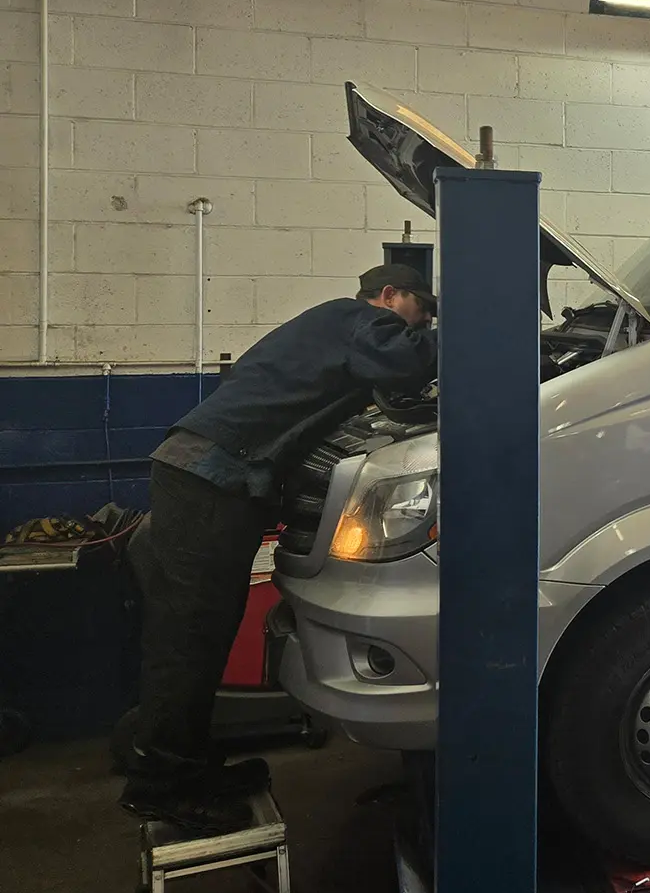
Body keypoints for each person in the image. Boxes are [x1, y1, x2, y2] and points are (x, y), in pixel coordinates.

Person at [115, 264, 439, 831]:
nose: (422, 322)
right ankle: (160, 784)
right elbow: (406, 360)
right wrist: (472, 333)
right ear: (388, 296)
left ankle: (188, 765)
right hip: (209, 476)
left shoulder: (336, 332)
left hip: (208, 472)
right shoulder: (355, 318)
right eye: (421, 310)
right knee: (190, 632)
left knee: (205, 629)